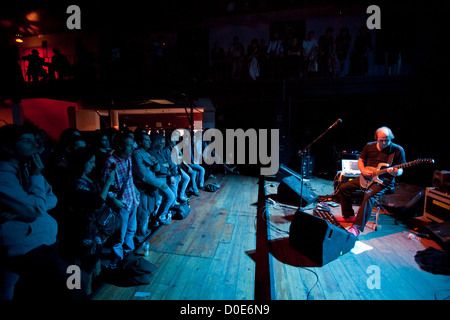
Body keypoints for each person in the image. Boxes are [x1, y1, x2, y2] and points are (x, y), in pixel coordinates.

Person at [0, 124, 87, 300]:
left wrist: (24, 210)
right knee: (77, 280)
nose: (34, 145)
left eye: (33, 141)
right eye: (26, 141)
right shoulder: (5, 175)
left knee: (75, 272)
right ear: (8, 146)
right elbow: (35, 208)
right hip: (26, 248)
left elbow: (52, 198)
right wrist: (36, 178)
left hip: (44, 240)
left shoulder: (27, 168)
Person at [336, 127, 406, 237]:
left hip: (384, 180)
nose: (384, 142)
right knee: (343, 188)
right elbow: (361, 160)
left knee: (368, 195)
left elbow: (401, 169)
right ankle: (349, 216)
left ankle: (356, 228)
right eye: (381, 140)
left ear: (391, 138)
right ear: (376, 138)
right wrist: (363, 170)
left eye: (387, 140)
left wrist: (395, 173)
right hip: (366, 177)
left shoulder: (397, 150)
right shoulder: (369, 146)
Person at [102, 132, 139, 269]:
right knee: (119, 237)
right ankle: (116, 262)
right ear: (119, 146)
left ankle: (129, 258)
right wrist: (114, 201)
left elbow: (129, 178)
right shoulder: (110, 162)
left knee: (131, 231)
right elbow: (105, 185)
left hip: (132, 201)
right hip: (121, 204)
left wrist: (135, 191)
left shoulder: (128, 158)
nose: (132, 148)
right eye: (129, 145)